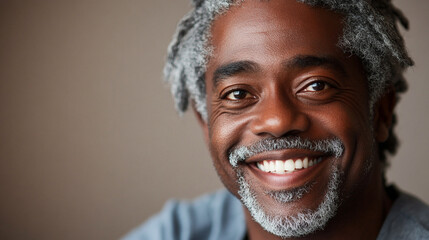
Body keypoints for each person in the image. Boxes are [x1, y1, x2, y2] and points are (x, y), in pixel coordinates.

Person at [123, 0, 429, 239]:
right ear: (206, 124)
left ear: (381, 109)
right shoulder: (178, 233)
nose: (277, 121)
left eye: (316, 86)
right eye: (238, 93)